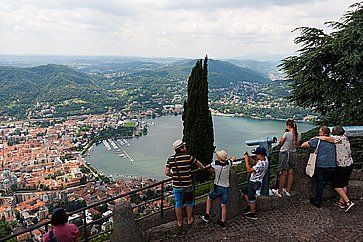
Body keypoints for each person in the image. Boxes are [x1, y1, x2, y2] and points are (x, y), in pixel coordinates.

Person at [164, 139, 205, 227]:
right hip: (188, 185)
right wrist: (202, 168)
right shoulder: (188, 157)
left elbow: (166, 172)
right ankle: (189, 219)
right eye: (184, 146)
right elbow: (199, 164)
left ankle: (179, 222)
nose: (185, 147)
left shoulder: (171, 159)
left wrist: (173, 176)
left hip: (177, 186)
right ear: (181, 149)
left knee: (178, 204)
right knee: (189, 203)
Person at [315, 125, 355, 212]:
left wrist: (317, 137)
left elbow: (326, 138)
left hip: (341, 165)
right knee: (343, 184)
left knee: (336, 185)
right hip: (349, 164)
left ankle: (348, 202)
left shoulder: (336, 138)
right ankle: (341, 202)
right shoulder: (345, 137)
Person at [301, 126, 336, 208]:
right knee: (327, 180)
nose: (318, 133)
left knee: (319, 183)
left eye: (320, 132)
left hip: (321, 165)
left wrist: (312, 139)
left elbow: (303, 145)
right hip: (331, 165)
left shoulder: (318, 141)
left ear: (323, 133)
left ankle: (318, 202)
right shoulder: (333, 140)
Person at [200, 150, 236, 229]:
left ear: (219, 157)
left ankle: (206, 215)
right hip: (226, 188)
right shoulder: (229, 163)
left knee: (209, 198)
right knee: (223, 206)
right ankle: (222, 223)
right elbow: (234, 157)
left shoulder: (215, 164)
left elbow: (206, 167)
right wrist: (227, 159)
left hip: (218, 187)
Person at [273, 119, 301, 197]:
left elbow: (280, 142)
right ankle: (288, 190)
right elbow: (297, 144)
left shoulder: (287, 134)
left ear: (288, 126)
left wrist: (285, 133)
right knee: (291, 172)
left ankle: (280, 191)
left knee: (283, 173)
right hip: (293, 154)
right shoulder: (298, 134)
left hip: (284, 154)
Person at [242, 147, 269, 220]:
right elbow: (255, 163)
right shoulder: (265, 160)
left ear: (260, 154)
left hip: (254, 182)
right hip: (257, 181)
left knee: (252, 198)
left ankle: (253, 214)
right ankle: (250, 207)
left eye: (257, 154)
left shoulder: (260, 164)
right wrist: (249, 157)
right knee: (244, 191)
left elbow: (249, 170)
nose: (256, 155)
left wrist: (246, 160)